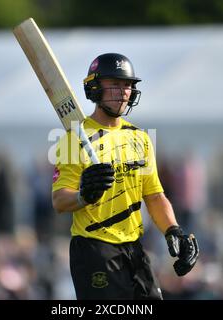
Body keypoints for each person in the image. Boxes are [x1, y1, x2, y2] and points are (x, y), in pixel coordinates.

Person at [52, 53, 199, 300]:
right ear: (96, 87)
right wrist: (83, 196)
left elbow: (154, 195)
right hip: (94, 248)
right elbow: (59, 201)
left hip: (133, 248)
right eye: (116, 84)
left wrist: (173, 230)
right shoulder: (73, 139)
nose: (123, 91)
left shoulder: (140, 138)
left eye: (128, 85)